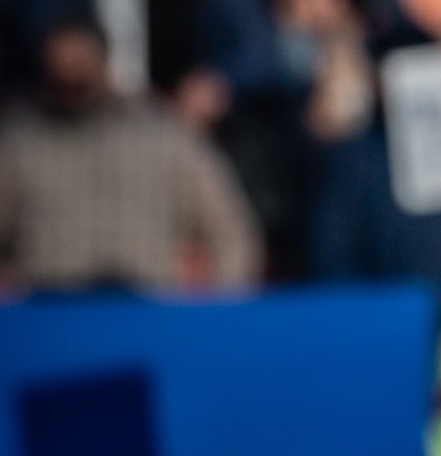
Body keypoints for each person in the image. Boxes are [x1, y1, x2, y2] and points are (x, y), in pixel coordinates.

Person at [0, 17, 261, 292]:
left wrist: (214, 309)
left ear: (104, 64)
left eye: (79, 68)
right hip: (47, 302)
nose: (70, 80)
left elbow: (233, 234)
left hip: (145, 304)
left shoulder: (163, 135)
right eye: (59, 73)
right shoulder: (20, 143)